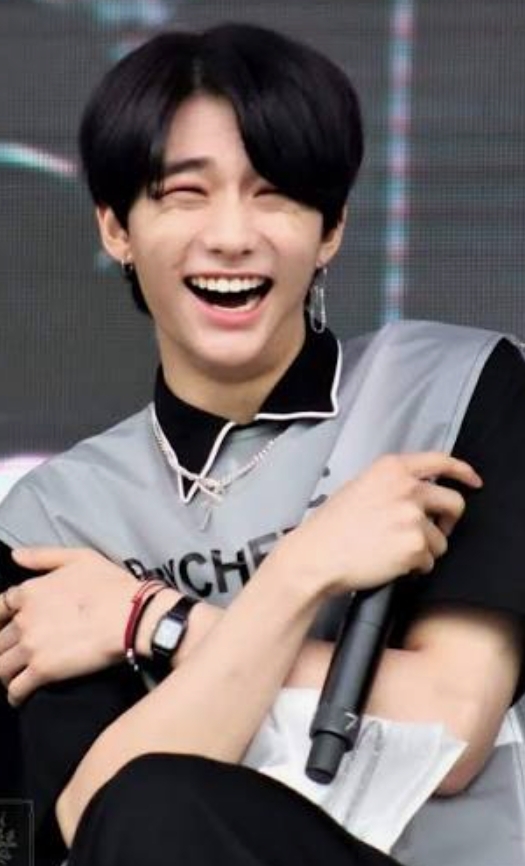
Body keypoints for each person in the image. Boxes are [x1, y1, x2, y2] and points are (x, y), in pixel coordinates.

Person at [0, 22, 524, 866]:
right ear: (116, 228)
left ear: (330, 229)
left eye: (272, 193)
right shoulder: (54, 520)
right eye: (185, 193)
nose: (231, 235)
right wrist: (301, 573)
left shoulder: (450, 389)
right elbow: (97, 820)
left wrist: (150, 621)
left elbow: (453, 725)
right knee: (153, 804)